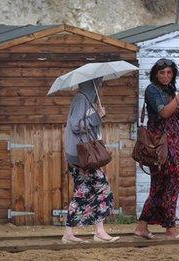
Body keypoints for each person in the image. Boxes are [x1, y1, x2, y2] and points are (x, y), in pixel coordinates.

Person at [134, 58, 179, 239]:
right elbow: (164, 113)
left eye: (169, 73)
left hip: (173, 141)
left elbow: (178, 113)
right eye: (162, 73)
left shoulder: (169, 90)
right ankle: (171, 229)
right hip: (160, 144)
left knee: (166, 185)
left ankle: (142, 228)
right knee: (165, 185)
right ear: (155, 74)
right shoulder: (152, 90)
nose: (166, 76)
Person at [62, 77, 119, 244]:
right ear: (91, 84)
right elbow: (75, 126)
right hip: (82, 157)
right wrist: (97, 117)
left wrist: (97, 115)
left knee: (82, 193)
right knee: (103, 188)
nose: (98, 86)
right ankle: (99, 232)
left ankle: (69, 233)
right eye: (97, 83)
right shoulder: (82, 98)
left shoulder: (88, 100)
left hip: (80, 156)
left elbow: (85, 124)